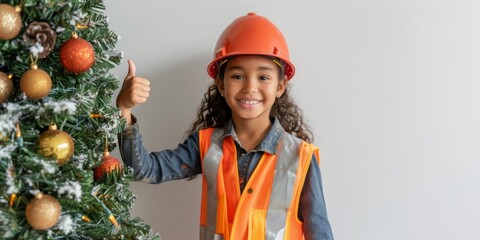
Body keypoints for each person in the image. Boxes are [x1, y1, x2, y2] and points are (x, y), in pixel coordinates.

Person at [116, 12, 334, 240]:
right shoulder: (206, 146)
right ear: (220, 84)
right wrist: (124, 109)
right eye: (238, 76)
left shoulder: (300, 157)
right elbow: (143, 169)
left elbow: (319, 231)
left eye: (263, 77)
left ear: (280, 86)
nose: (250, 87)